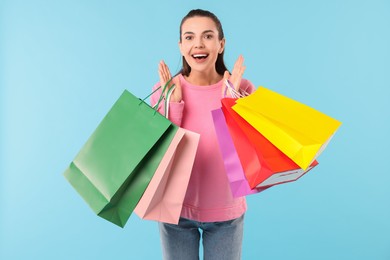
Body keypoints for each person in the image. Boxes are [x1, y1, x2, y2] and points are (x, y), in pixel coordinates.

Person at [150, 9, 255, 260]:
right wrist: (173, 106)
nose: (198, 43)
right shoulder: (165, 89)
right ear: (181, 46)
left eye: (207, 36)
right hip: (175, 210)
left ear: (221, 44)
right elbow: (157, 153)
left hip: (226, 212)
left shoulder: (243, 89)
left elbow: (249, 154)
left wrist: (231, 104)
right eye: (189, 37)